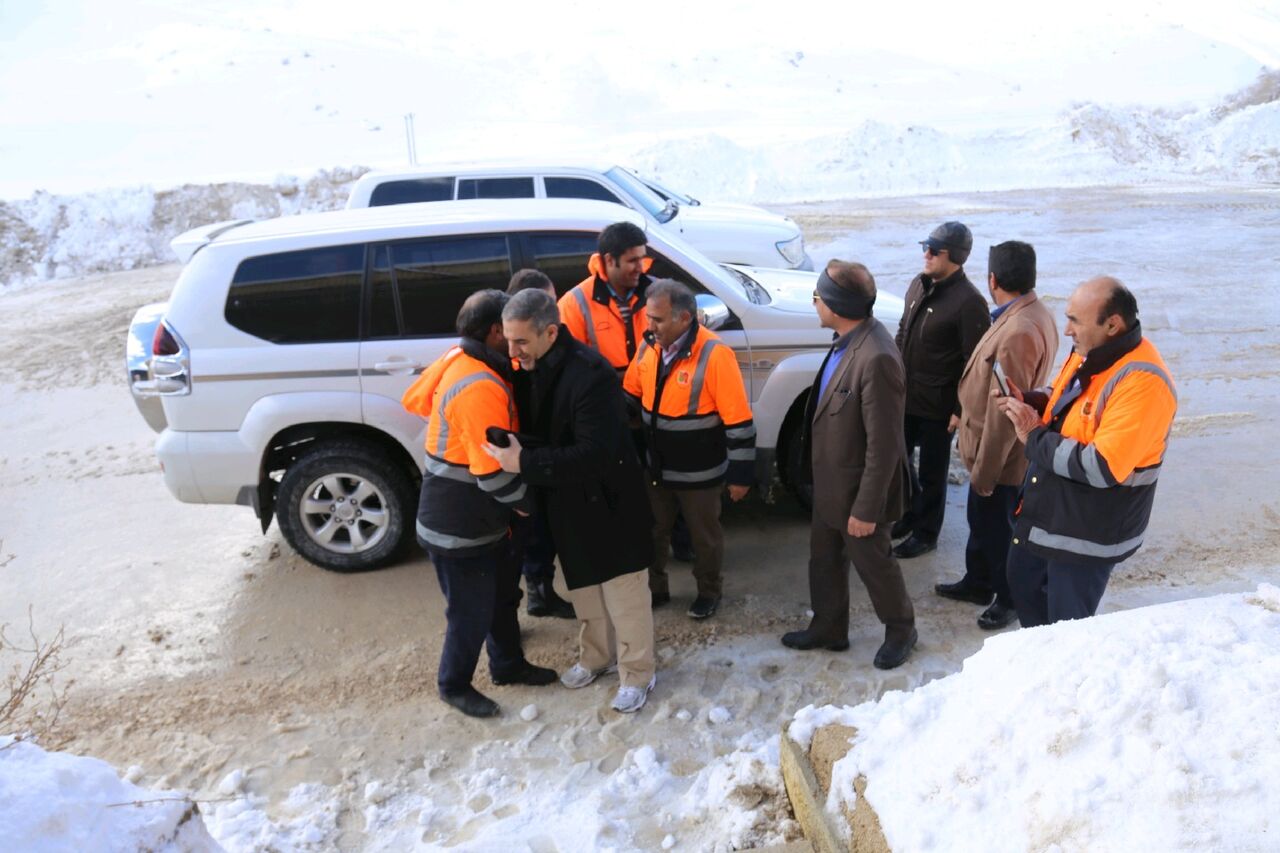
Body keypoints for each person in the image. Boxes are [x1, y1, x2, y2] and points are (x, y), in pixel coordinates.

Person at [485, 289, 658, 714]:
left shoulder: (591, 374)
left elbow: (594, 454)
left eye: (521, 341)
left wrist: (522, 460)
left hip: (612, 502)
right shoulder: (531, 366)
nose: (512, 351)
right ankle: (596, 657)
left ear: (550, 332)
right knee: (583, 587)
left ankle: (638, 673)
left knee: (624, 592)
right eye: (508, 340)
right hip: (567, 502)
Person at [400, 289, 557, 718]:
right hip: (459, 521)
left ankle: (507, 664)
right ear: (493, 331)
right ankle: (453, 685)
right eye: (507, 332)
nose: (512, 339)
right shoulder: (478, 385)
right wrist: (527, 504)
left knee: (501, 594)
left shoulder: (463, 360)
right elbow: (489, 469)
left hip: (478, 517)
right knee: (469, 611)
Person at [996, 277, 1177, 626]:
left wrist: (1033, 435)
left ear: (1113, 325)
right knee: (1025, 594)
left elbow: (1102, 466)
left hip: (1084, 537)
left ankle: (1060, 680)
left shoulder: (1143, 382)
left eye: (1075, 321)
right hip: (1046, 515)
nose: (1066, 330)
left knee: (1065, 631)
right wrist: (1034, 402)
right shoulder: (1090, 352)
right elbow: (1068, 400)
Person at [781, 261, 917, 670]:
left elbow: (886, 444)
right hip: (830, 485)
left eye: (818, 297)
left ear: (837, 306)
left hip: (859, 493)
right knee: (823, 558)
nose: (814, 303)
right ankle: (829, 627)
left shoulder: (876, 357)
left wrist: (866, 509)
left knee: (874, 563)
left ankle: (901, 629)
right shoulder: (848, 337)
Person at [940, 241, 1059, 630]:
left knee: (997, 530)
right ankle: (978, 582)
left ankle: (1006, 599)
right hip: (994, 450)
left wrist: (986, 473)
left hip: (1002, 460)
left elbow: (1007, 412)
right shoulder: (1030, 312)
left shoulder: (1018, 331)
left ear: (992, 280)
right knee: (982, 524)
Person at [622, 279, 755, 619]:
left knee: (704, 539)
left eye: (658, 319)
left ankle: (709, 592)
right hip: (658, 468)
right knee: (652, 533)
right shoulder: (648, 345)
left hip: (701, 473)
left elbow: (738, 421)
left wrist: (740, 476)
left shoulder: (715, 355)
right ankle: (657, 590)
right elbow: (630, 397)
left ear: (684, 318)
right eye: (648, 318)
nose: (650, 326)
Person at [892, 221, 991, 559]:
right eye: (925, 247)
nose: (926, 254)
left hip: (939, 406)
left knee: (932, 473)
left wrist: (961, 410)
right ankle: (908, 514)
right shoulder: (918, 286)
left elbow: (976, 363)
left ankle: (926, 533)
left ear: (955, 257)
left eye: (934, 250)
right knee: (899, 462)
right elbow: (903, 334)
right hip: (906, 396)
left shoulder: (970, 303)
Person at [504, 269, 575, 619]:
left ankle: (537, 592)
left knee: (533, 534)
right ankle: (538, 592)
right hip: (523, 458)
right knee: (534, 533)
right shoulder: (520, 355)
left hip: (529, 457)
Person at [558, 220, 653, 375]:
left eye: (642, 259)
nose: (640, 268)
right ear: (609, 260)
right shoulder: (574, 304)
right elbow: (567, 366)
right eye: (632, 261)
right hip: (603, 395)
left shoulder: (659, 292)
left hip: (652, 394)